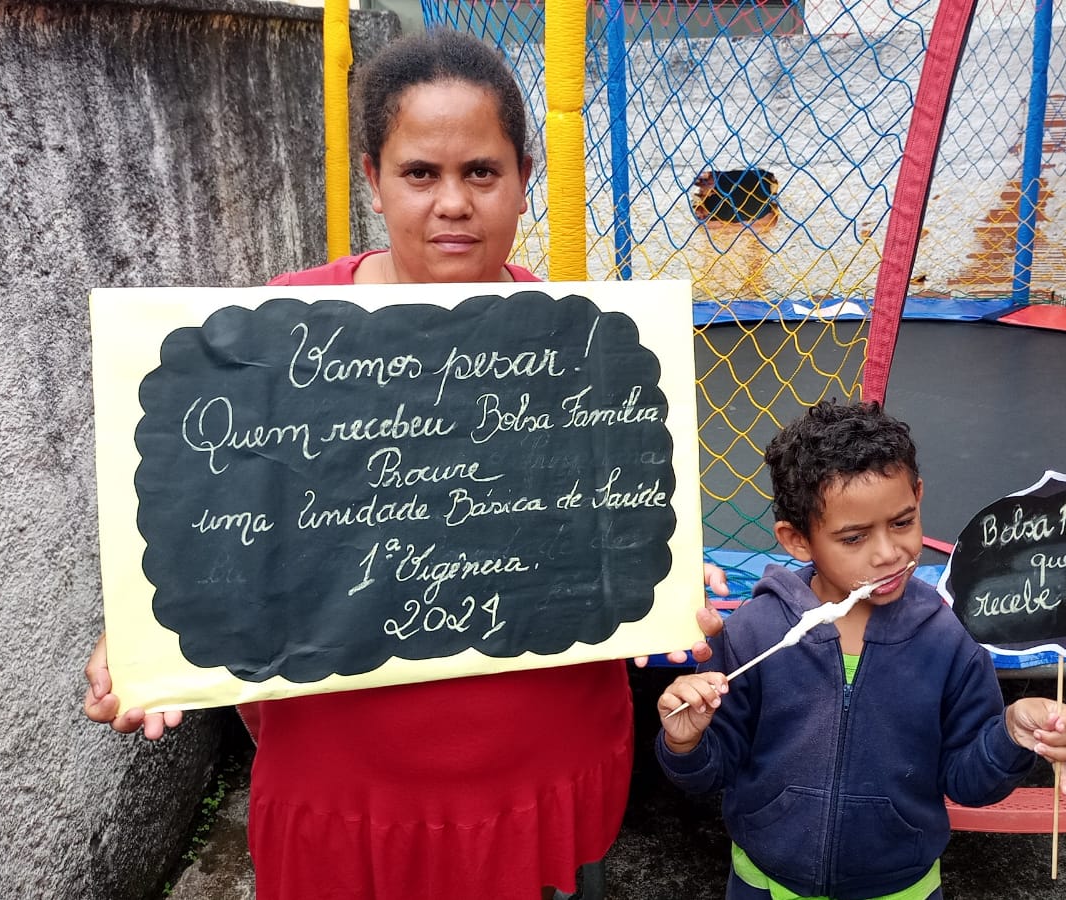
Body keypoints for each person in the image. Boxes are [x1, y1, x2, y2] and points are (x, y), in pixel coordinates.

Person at [82, 30, 725, 898]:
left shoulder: (586, 345)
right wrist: (141, 633)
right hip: (346, 767)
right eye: (421, 173)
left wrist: (669, 569)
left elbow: (613, 524)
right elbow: (213, 517)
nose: (452, 202)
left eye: (482, 172)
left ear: (523, 178)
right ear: (374, 181)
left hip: (537, 751)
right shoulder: (282, 328)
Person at [656, 400, 1066, 900]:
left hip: (903, 889)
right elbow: (711, 769)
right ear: (797, 541)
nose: (887, 553)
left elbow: (969, 782)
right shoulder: (754, 631)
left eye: (902, 522)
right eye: (853, 538)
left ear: (919, 497)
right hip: (764, 885)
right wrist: (684, 743)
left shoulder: (950, 641)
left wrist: (1010, 736)